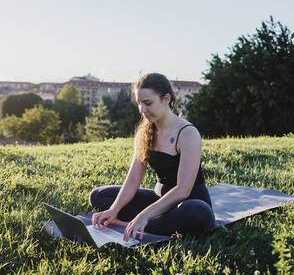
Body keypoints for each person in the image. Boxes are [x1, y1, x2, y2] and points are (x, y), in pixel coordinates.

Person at [89, 73, 215, 241]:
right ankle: (150, 222)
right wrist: (114, 209)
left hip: (188, 202)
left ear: (166, 99)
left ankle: (140, 223)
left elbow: (183, 190)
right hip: (158, 200)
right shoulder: (144, 132)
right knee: (98, 196)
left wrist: (145, 214)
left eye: (148, 103)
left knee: (198, 213)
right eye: (140, 104)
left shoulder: (188, 134)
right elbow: (134, 179)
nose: (142, 110)